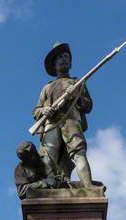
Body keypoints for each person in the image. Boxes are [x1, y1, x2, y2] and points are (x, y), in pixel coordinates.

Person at [33, 42, 94, 188]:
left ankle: (88, 186)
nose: (64, 59)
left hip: (71, 121)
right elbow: (36, 111)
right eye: (60, 57)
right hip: (51, 124)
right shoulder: (47, 87)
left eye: (67, 56)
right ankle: (47, 187)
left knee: (79, 153)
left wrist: (77, 94)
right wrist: (44, 110)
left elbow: (88, 106)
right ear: (54, 64)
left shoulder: (78, 82)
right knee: (48, 157)